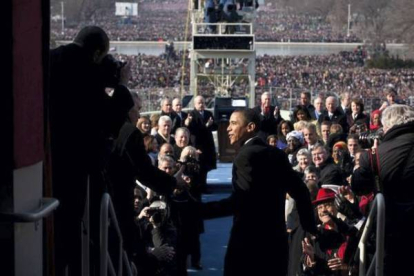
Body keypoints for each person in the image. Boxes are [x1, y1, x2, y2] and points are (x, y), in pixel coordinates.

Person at [48, 26, 134, 275]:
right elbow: (109, 121)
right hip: (75, 167)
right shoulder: (86, 72)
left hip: (50, 160)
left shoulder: (54, 58)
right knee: (71, 233)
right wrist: (122, 85)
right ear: (97, 53)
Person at [203, 108, 317, 276]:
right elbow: (301, 192)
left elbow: (241, 201)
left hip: (248, 247)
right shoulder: (277, 155)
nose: (228, 128)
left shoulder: (245, 156)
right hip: (276, 245)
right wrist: (309, 230)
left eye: (234, 123)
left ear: (250, 127)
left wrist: (196, 211)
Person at [351, 104, 414, 275]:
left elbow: (358, 186)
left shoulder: (374, 155)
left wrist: (368, 157)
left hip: (391, 233)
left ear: (387, 126)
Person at [187, 95, 217, 193]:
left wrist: (211, 124)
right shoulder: (192, 114)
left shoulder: (208, 113)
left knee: (205, 168)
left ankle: (204, 187)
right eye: (199, 103)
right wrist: (206, 125)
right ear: (195, 104)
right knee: (197, 167)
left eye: (203, 103)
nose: (201, 105)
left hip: (207, 144)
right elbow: (194, 129)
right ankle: (198, 188)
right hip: (197, 143)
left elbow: (215, 126)